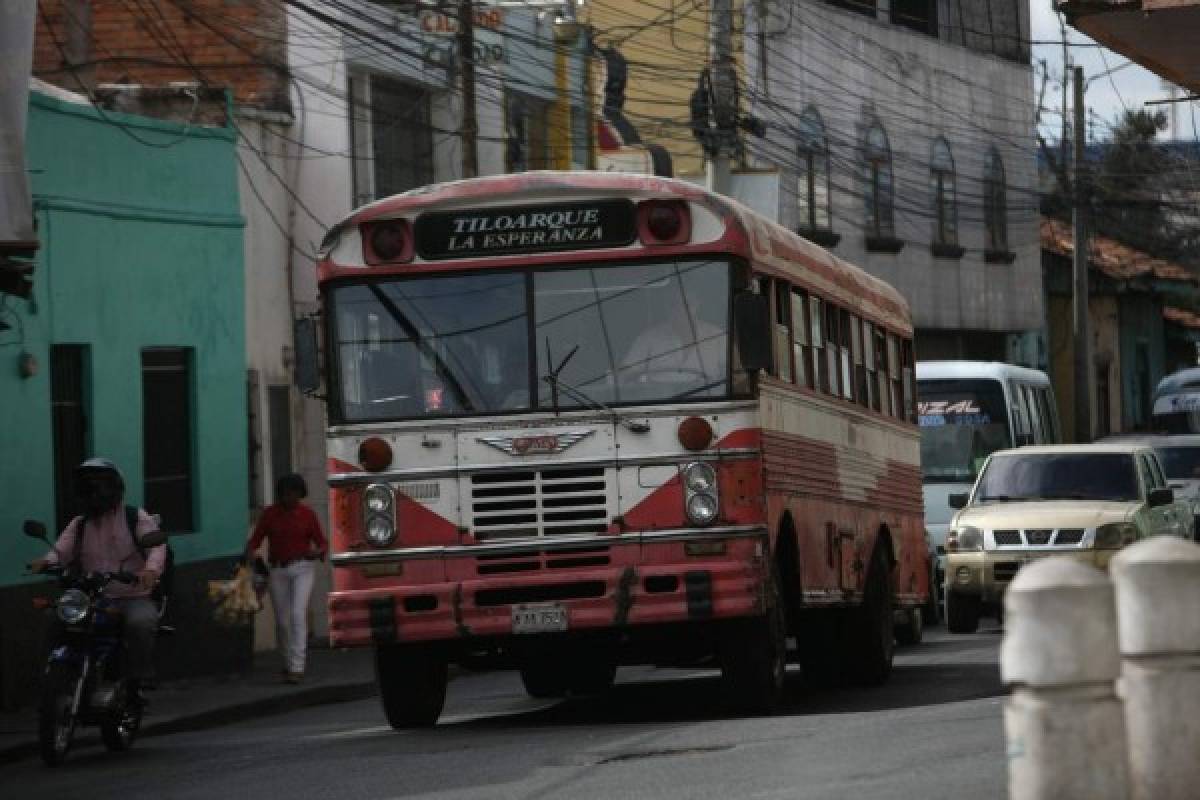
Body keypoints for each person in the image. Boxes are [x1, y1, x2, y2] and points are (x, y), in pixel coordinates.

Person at [30, 458, 166, 699]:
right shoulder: (80, 523)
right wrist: (47, 561)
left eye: (100, 485)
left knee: (140, 623)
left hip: (131, 595)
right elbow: (62, 549)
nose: (94, 492)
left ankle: (140, 675)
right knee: (54, 618)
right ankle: (49, 675)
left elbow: (157, 546)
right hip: (91, 597)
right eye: (88, 486)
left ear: (115, 487)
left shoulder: (135, 517)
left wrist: (150, 571)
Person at [244, 473, 327, 684]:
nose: (291, 497)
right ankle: (288, 661)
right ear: (280, 494)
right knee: (282, 621)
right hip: (278, 570)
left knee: (298, 613)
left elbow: (322, 542)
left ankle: (297, 667)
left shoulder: (307, 514)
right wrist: (253, 555)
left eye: (296, 493)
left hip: (302, 567)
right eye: (287, 493)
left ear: (301, 494)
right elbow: (254, 541)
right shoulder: (270, 515)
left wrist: (317, 552)